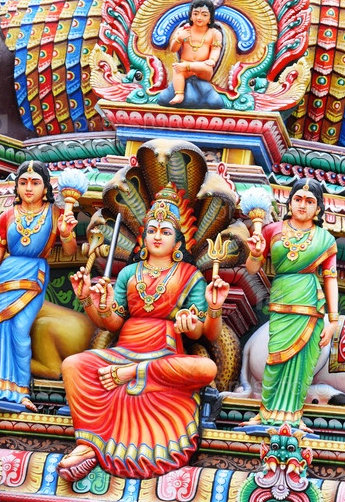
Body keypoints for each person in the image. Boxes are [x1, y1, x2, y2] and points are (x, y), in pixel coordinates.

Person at [57, 184, 229, 481]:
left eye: (165, 231)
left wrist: (210, 310)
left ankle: (134, 373)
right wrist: (88, 299)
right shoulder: (128, 273)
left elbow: (206, 333)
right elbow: (112, 323)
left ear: (178, 241)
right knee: (74, 365)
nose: (157, 236)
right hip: (124, 350)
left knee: (205, 368)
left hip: (164, 355)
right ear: (143, 237)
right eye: (152, 230)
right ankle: (88, 443)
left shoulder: (189, 276)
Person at [0, 160, 77, 412]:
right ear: (17, 187)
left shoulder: (56, 214)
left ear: (46, 188)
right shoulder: (7, 215)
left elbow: (70, 250)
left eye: (35, 183)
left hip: (34, 275)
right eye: (23, 183)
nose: (28, 188)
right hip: (4, 277)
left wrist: (66, 232)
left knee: (20, 330)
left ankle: (20, 390)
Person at [243, 178, 339, 430]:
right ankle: (266, 412)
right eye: (298, 199)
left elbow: (331, 278)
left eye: (309, 201)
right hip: (281, 302)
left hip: (310, 306)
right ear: (289, 202)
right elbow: (251, 269)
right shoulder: (271, 230)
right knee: (275, 358)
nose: (302, 205)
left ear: (318, 208)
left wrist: (334, 320)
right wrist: (255, 253)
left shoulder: (325, 239)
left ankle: (293, 416)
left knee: (302, 365)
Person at [166, 0, 223, 106]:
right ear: (191, 16)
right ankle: (179, 94)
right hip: (184, 67)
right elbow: (173, 49)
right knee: (177, 69)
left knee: (207, 67)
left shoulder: (214, 33)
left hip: (202, 69)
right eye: (196, 14)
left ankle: (187, 66)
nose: (199, 17)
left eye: (204, 15)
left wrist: (212, 60)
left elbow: (216, 49)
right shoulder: (184, 30)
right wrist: (179, 38)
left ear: (210, 18)